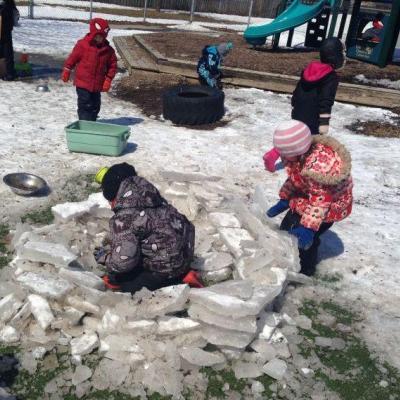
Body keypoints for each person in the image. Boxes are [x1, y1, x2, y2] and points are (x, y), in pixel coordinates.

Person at [93, 163, 199, 293]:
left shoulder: (124, 217)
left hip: (162, 271)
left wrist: (106, 258)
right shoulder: (156, 201)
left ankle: (179, 281)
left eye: (110, 200)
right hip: (183, 260)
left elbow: (123, 263)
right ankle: (184, 274)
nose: (110, 205)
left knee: (122, 282)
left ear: (115, 196)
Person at [266, 120, 353, 276]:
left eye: (284, 154)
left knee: (302, 241)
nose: (282, 157)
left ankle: (305, 268)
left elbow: (321, 201)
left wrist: (308, 227)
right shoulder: (296, 156)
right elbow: (295, 178)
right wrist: (285, 198)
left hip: (328, 205)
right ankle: (287, 252)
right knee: (288, 227)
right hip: (310, 196)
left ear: (296, 150)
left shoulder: (317, 169)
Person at [263, 37, 346, 172]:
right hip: (313, 114)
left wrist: (295, 104)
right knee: (309, 140)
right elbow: (326, 99)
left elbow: (299, 89)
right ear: (336, 56)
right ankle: (306, 166)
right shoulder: (331, 76)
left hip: (299, 110)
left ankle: (273, 154)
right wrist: (324, 122)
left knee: (294, 136)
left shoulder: (310, 69)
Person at [61, 18, 117, 121]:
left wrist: (108, 79)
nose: (101, 39)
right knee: (85, 103)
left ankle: (92, 122)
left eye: (103, 36)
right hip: (83, 83)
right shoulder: (82, 45)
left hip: (97, 84)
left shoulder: (108, 50)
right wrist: (67, 69)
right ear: (93, 34)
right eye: (98, 36)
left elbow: (113, 65)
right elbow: (73, 58)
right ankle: (84, 124)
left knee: (96, 105)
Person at [0, 0, 19, 81]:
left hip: (5, 27)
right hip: (6, 27)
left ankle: (9, 72)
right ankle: (7, 72)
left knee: (6, 50)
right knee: (6, 50)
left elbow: (15, 14)